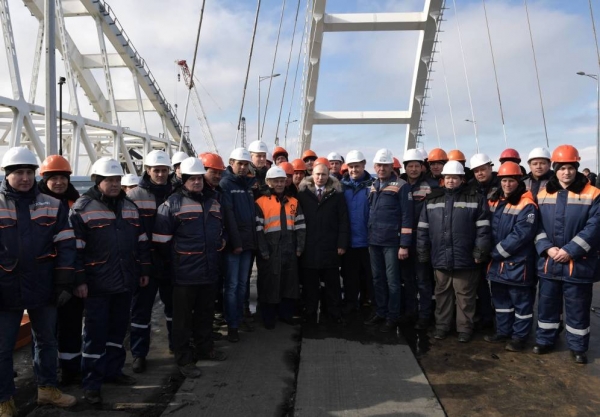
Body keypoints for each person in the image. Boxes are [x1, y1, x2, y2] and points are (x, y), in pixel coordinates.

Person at [0, 147, 77, 415]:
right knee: (2, 346)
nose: (24, 178)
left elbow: (66, 244)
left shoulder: (52, 204)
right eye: (18, 172)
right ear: (7, 175)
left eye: (29, 172)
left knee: (46, 341)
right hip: (5, 288)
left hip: (43, 285)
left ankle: (47, 389)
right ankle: (4, 400)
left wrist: (63, 281)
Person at [70, 157, 151, 404]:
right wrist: (79, 280)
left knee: (118, 331)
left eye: (117, 180)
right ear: (98, 180)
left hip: (125, 280)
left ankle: (114, 371)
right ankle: (92, 383)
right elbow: (75, 250)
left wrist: (144, 269)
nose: (115, 184)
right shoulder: (82, 209)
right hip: (97, 284)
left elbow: (141, 241)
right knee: (95, 334)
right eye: (109, 180)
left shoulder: (129, 207)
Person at [153, 157, 227, 379]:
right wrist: (175, 264)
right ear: (183, 179)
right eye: (192, 179)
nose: (196, 182)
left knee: (205, 314)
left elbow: (219, 228)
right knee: (182, 319)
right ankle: (184, 358)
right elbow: (160, 242)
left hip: (208, 270)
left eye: (199, 178)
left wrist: (220, 241)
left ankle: (205, 348)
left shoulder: (213, 201)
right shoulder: (171, 205)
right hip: (184, 274)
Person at [533, 145, 600, 364]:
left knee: (577, 306)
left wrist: (570, 251)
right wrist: (547, 248)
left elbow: (595, 227)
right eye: (561, 168)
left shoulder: (593, 193)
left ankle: (578, 347)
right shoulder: (543, 194)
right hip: (550, 261)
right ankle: (545, 340)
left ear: (577, 168)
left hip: (578, 263)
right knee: (547, 304)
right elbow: (536, 225)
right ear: (555, 169)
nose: (566, 172)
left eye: (571, 168)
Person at [417, 160, 491, 343]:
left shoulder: (475, 198)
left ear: (462, 179)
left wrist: (479, 251)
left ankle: (465, 328)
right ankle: (442, 327)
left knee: (465, 296)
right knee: (442, 294)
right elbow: (422, 228)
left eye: (455, 178)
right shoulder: (432, 199)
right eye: (448, 177)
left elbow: (483, 229)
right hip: (440, 257)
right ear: (443, 179)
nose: (451, 181)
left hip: (465, 258)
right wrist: (422, 250)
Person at [127, 150, 174, 373]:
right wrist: (141, 263)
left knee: (174, 307)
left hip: (170, 261)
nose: (161, 174)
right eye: (157, 170)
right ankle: (138, 354)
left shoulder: (176, 192)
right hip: (145, 262)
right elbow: (132, 233)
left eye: (164, 170)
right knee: (140, 311)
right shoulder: (135, 196)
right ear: (147, 170)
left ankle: (177, 345)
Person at [38, 155, 82, 385]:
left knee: (72, 325)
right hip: (44, 276)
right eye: (53, 178)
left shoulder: (78, 203)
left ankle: (71, 370)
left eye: (62, 178)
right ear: (44, 180)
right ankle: (46, 376)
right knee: (46, 330)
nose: (58, 182)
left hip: (73, 274)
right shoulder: (35, 203)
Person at [485, 162, 538, 352]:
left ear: (518, 181)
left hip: (517, 263)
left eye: (511, 181)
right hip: (498, 264)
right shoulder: (494, 200)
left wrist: (495, 252)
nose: (507, 184)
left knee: (521, 304)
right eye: (504, 180)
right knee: (501, 302)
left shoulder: (527, 204)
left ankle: (519, 337)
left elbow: (521, 235)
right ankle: (503, 331)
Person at [364, 148, 413, 333]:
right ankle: (381, 312)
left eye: (385, 165)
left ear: (391, 166)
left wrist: (404, 245)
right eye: (378, 165)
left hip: (392, 243)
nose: (381, 168)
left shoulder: (401, 186)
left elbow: (407, 216)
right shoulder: (374, 185)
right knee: (377, 279)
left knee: (393, 281)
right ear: (375, 167)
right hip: (374, 241)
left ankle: (393, 316)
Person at [297, 161, 349, 324]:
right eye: (317, 174)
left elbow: (343, 220)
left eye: (324, 174)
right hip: (310, 246)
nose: (320, 177)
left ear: (329, 176)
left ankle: (334, 313)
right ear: (312, 174)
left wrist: (342, 243)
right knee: (310, 284)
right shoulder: (303, 194)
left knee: (332, 284)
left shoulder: (337, 194)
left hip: (330, 246)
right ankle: (310, 312)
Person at [255, 166, 306, 329]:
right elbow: (258, 230)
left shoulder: (294, 202)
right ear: (268, 182)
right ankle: (268, 317)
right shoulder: (261, 202)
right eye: (275, 181)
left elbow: (300, 226)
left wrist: (299, 247)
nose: (279, 184)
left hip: (289, 249)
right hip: (270, 251)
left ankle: (286, 315)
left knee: (288, 283)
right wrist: (263, 250)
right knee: (269, 283)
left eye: (281, 181)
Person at [220, 148, 257, 342]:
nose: (242, 167)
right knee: (232, 285)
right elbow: (229, 216)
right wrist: (236, 243)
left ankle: (239, 318)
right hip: (235, 246)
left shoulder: (247, 185)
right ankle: (232, 325)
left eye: (245, 164)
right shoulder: (226, 184)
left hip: (247, 243)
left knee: (243, 284)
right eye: (239, 164)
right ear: (231, 163)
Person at [401, 149, 439, 330]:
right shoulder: (401, 185)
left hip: (423, 239)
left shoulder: (432, 186)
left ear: (422, 167)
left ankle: (424, 315)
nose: (414, 169)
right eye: (410, 166)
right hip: (404, 240)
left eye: (417, 166)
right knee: (408, 279)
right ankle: (410, 312)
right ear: (405, 168)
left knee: (423, 280)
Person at [340, 150, 374, 314]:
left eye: (357, 166)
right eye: (351, 167)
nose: (354, 170)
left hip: (368, 241)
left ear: (364, 165)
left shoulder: (373, 185)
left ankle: (369, 303)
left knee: (370, 277)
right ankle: (350, 303)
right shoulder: (341, 187)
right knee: (349, 276)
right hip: (349, 241)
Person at [468, 153, 498, 330]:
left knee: (498, 283)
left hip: (497, 239)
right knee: (480, 283)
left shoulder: (502, 184)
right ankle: (486, 316)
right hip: (479, 240)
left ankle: (501, 319)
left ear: (490, 168)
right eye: (476, 171)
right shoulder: (471, 188)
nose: (480, 173)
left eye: (483, 169)